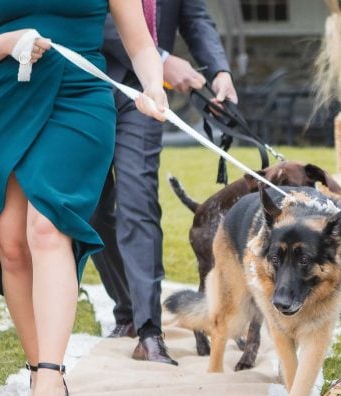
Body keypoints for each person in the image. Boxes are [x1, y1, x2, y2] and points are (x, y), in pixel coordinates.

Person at [0, 0, 167, 396]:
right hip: (4, 100)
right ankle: (40, 372)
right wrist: (10, 42)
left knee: (48, 227)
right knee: (11, 244)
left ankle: (50, 377)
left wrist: (154, 86)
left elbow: (141, 44)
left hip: (79, 99)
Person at [91, 0, 235, 364]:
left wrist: (219, 69)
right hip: (89, 86)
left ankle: (149, 332)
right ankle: (127, 308)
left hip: (145, 95)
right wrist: (162, 55)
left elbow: (195, 15)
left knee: (138, 204)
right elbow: (94, 15)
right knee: (91, 210)